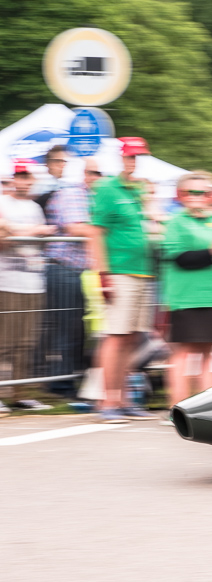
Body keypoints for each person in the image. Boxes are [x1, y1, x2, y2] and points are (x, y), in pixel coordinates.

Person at [160, 172, 212, 414]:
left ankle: (203, 409)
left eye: (202, 192)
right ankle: (175, 407)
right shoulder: (176, 222)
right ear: (181, 195)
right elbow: (180, 258)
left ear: (211, 195)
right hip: (188, 295)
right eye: (190, 192)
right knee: (184, 352)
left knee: (209, 352)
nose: (196, 197)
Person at [89, 137, 156, 422]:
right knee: (115, 338)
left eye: (138, 157)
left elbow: (149, 223)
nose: (134, 162)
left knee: (132, 339)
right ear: (120, 158)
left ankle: (124, 399)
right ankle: (107, 402)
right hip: (119, 271)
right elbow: (95, 233)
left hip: (142, 271)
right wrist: (103, 275)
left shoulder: (140, 188)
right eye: (130, 157)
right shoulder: (106, 188)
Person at [39, 148, 96, 397]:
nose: (99, 177)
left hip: (81, 271)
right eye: (95, 172)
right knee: (67, 328)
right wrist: (107, 231)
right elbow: (75, 227)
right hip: (63, 268)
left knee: (79, 328)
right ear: (84, 174)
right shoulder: (71, 194)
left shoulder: (93, 197)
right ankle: (61, 383)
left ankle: (74, 378)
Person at [0, 160, 55, 414]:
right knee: (5, 342)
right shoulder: (3, 202)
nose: (23, 181)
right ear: (13, 178)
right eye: (19, 176)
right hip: (8, 282)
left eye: (27, 176)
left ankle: (19, 394)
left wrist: (20, 231)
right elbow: (3, 237)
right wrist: (34, 230)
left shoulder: (34, 207)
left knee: (27, 342)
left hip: (34, 281)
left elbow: (45, 236)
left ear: (32, 179)